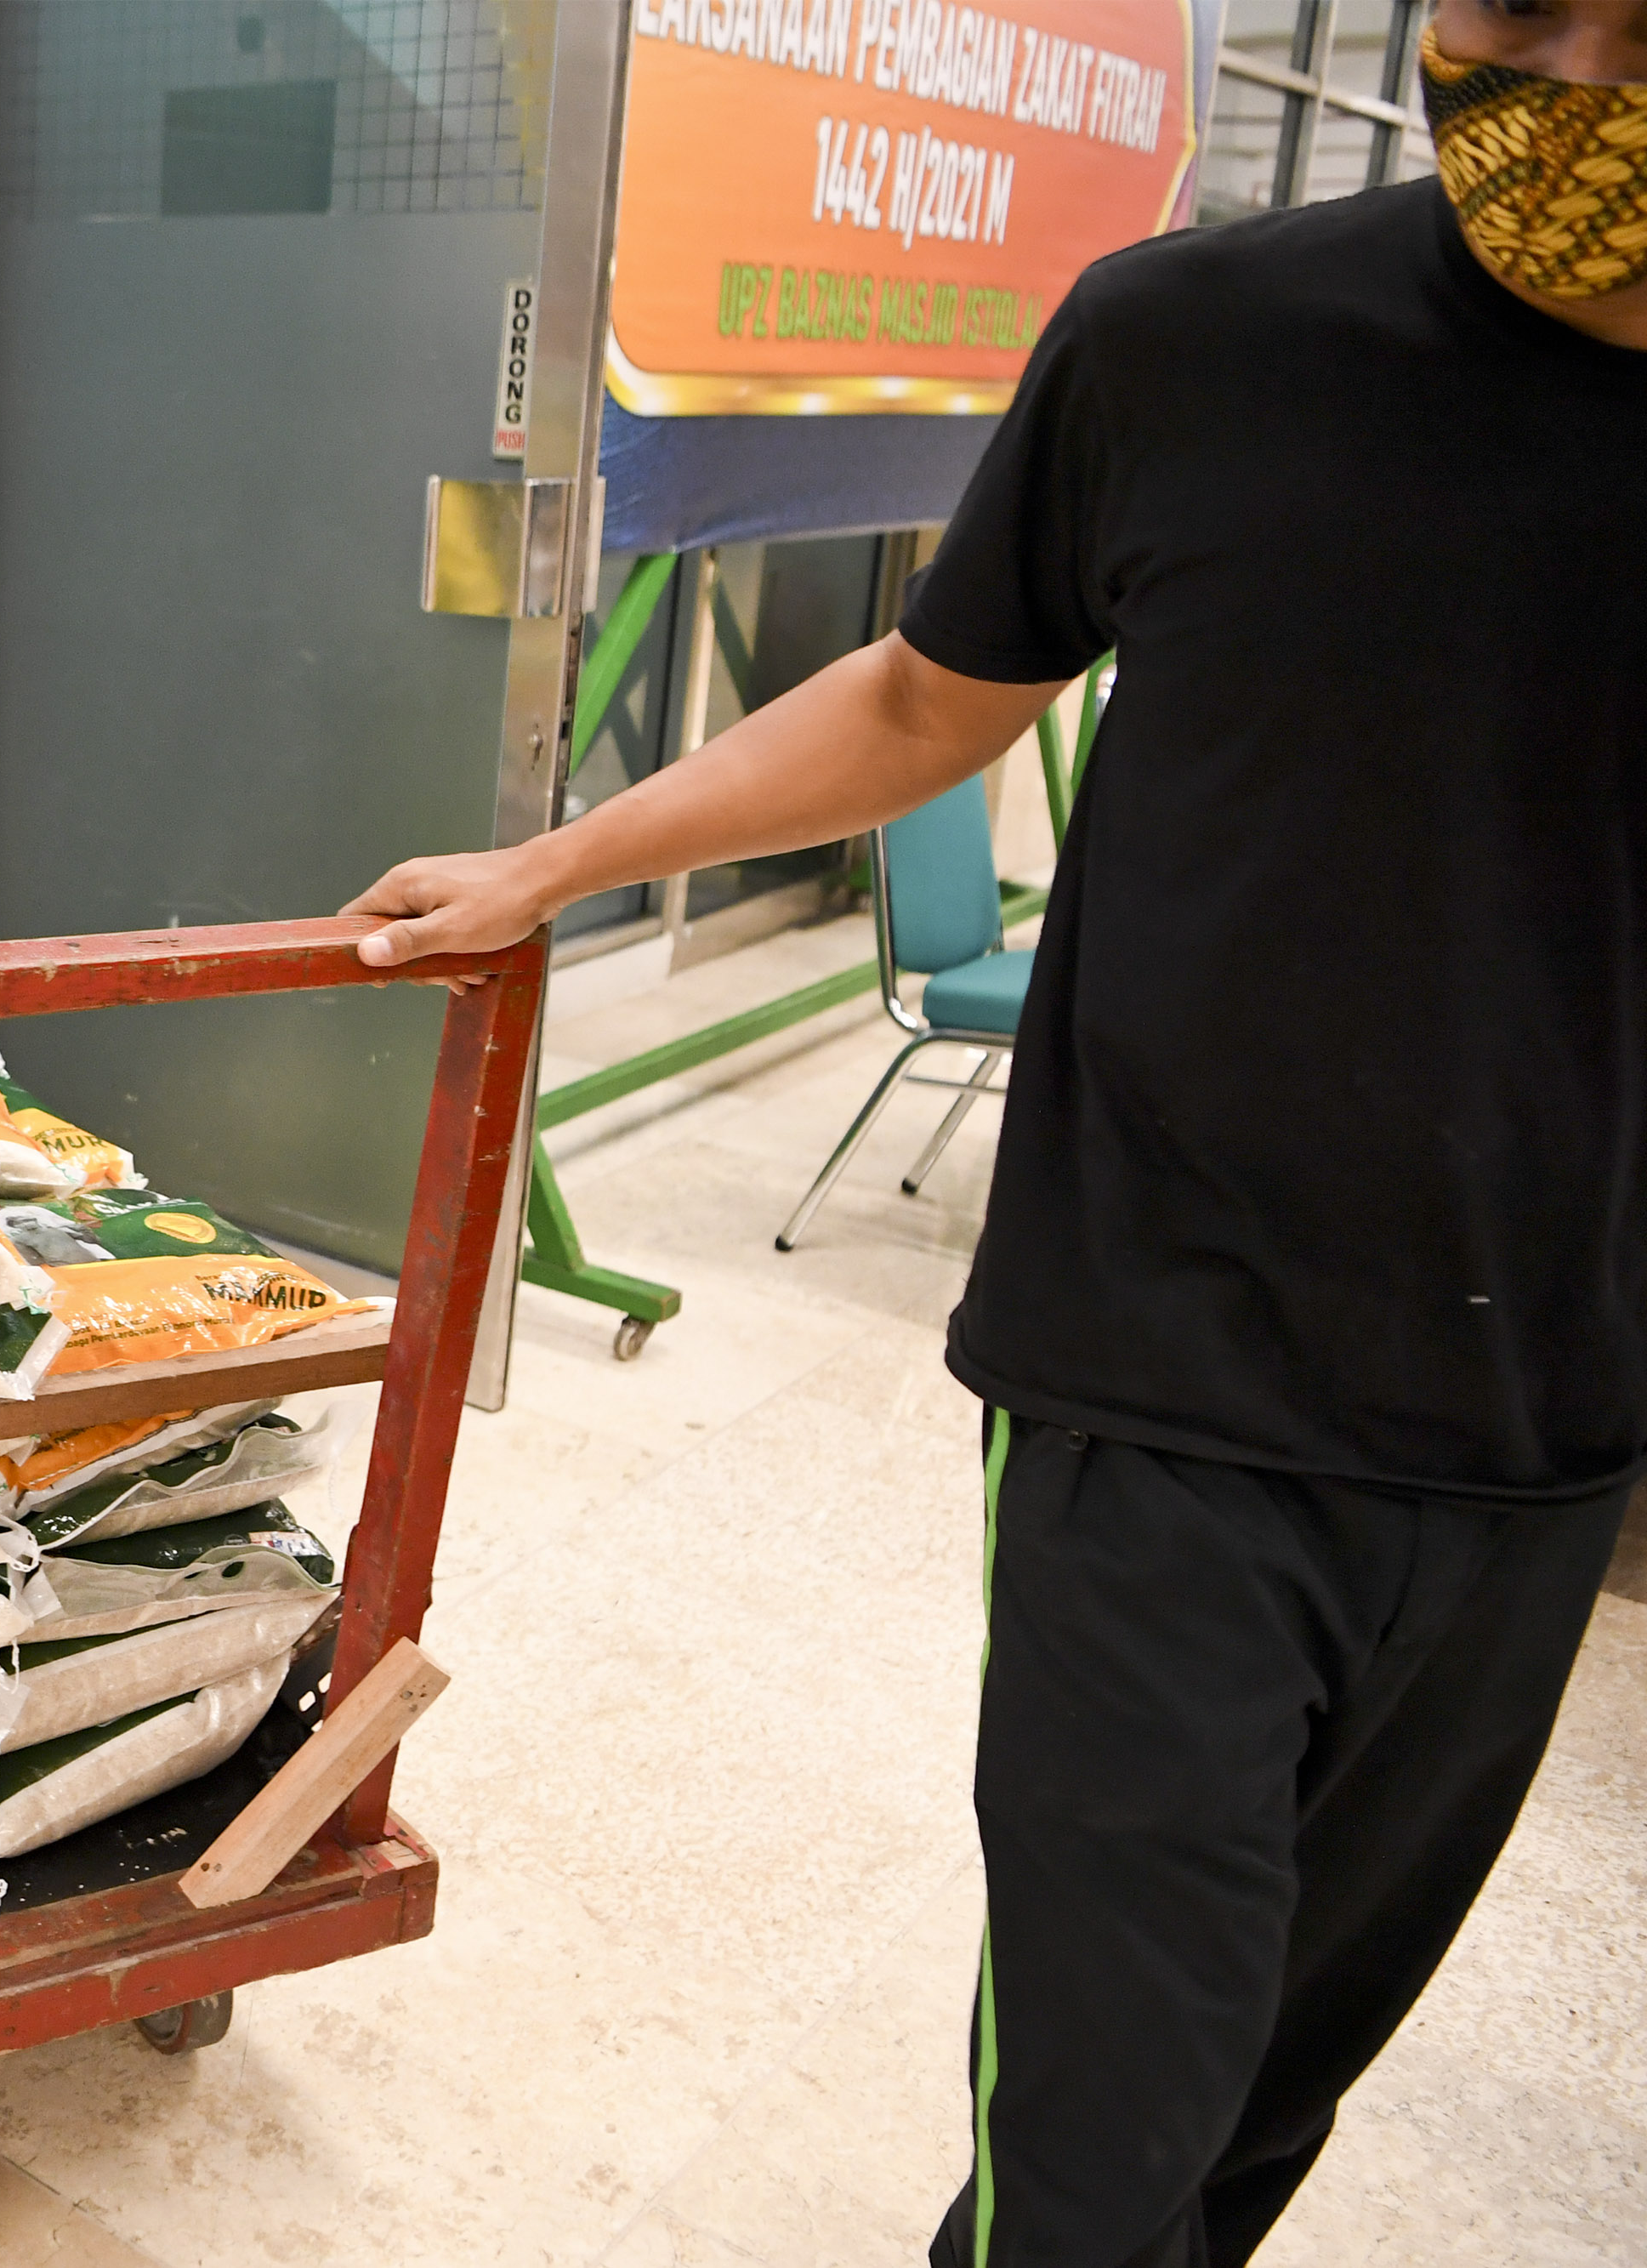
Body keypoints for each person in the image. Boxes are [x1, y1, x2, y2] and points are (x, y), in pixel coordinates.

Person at [346, 5, 1644, 2261]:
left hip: (1548, 1430)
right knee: (1099, 2139)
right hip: (1167, 1389)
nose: (1552, 75)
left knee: (1258, 2104)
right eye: (1509, 8)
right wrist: (548, 867)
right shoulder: (1204, 342)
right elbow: (932, 690)